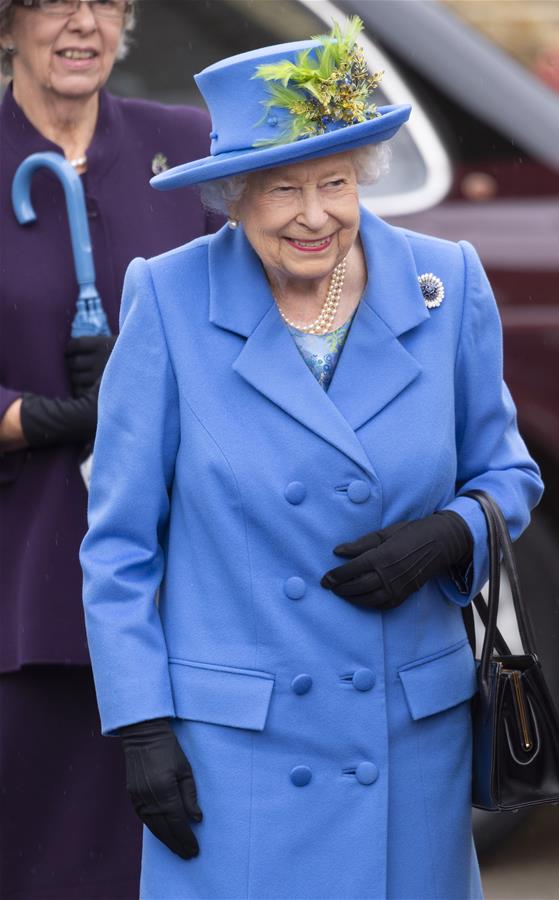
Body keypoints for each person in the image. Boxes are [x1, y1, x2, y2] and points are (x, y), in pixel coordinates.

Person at [80, 18, 544, 900]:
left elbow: (509, 473)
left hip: (407, 743)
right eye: (283, 189)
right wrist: (140, 722)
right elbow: (120, 544)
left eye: (335, 182)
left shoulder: (446, 286)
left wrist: (451, 534)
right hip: (238, 754)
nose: (314, 215)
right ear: (234, 195)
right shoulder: (171, 300)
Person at [0, 1, 222, 897]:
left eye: (105, 0)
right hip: (24, 586)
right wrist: (46, 417)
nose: (82, 22)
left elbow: (255, 319)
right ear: (10, 19)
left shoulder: (190, 143)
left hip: (182, 590)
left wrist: (154, 391)